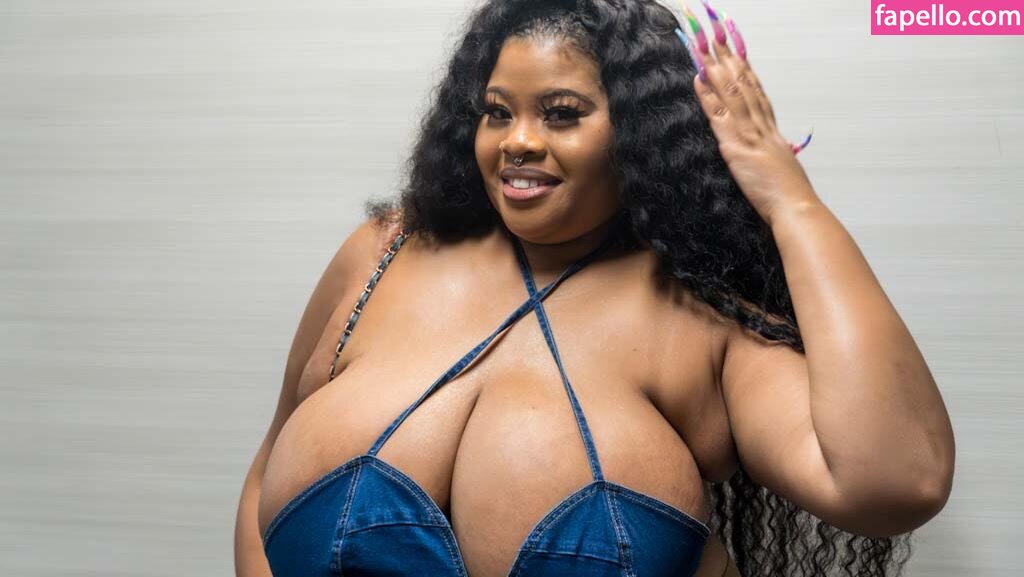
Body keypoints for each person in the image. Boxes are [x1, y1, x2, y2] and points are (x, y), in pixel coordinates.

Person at [234, 1, 955, 576]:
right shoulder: (382, 254)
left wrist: (790, 202)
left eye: (561, 113)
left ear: (639, 135)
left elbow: (896, 480)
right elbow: (268, 472)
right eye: (497, 111)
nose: (517, 140)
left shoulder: (702, 321)